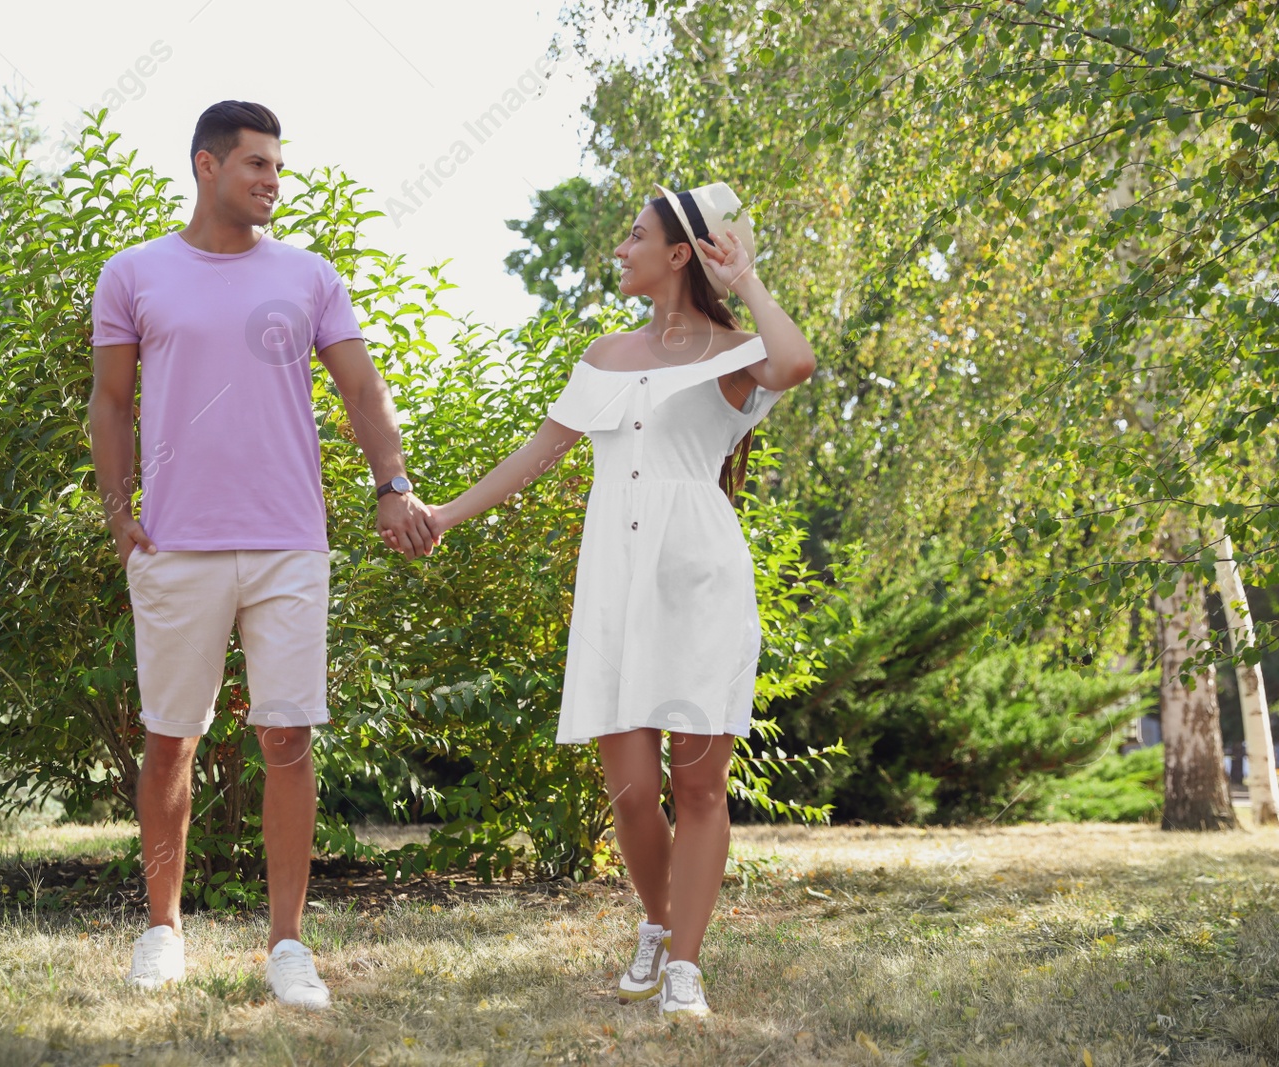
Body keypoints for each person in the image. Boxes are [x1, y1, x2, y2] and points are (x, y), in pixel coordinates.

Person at [404, 182, 815, 1019]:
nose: (619, 250)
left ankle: (686, 968)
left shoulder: (735, 350)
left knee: (699, 789)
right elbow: (538, 453)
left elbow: (797, 361)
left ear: (678, 254)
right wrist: (443, 514)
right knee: (631, 788)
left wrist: (747, 282)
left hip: (698, 574)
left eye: (635, 236)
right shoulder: (603, 355)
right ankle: (659, 924)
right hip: (615, 579)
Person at [88, 100, 439, 1006]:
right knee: (171, 739)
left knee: (288, 736)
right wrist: (118, 511)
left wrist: (392, 483)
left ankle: (287, 944)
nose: (272, 181)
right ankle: (162, 930)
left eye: (278, 166)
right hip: (176, 545)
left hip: (289, 541)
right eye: (255, 165)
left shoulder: (310, 276)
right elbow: (110, 401)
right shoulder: (135, 273)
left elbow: (364, 388)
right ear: (206, 166)